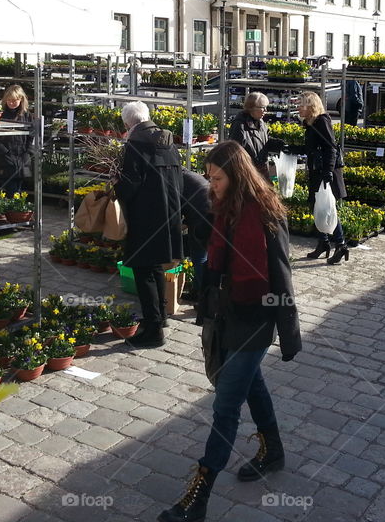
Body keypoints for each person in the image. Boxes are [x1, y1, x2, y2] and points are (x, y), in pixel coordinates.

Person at [159, 141, 300, 522]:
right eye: (209, 177)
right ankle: (273, 451)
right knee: (250, 384)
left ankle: (199, 498)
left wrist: (289, 331)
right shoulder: (224, 209)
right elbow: (213, 259)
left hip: (257, 318)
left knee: (225, 406)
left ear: (236, 176)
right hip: (229, 315)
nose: (211, 184)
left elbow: (282, 275)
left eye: (217, 177)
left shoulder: (266, 214)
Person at [116, 101, 183, 348]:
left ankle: (154, 331)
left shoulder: (136, 144)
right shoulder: (167, 140)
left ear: (129, 124)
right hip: (170, 213)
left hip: (146, 216)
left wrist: (116, 188)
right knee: (156, 266)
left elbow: (130, 184)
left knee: (143, 270)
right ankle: (160, 316)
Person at [293, 91, 349, 264]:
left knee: (327, 208)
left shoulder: (321, 121)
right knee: (317, 206)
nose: (298, 108)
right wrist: (290, 149)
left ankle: (340, 245)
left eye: (301, 104)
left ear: (310, 106)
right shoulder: (311, 123)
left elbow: (331, 148)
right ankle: (323, 243)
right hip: (318, 171)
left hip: (325, 172)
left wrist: (328, 172)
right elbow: (311, 149)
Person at [0, 84, 33, 195]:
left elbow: (32, 135)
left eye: (15, 100)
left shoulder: (27, 115)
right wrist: (4, 151)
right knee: (10, 190)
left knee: (18, 189)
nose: (11, 103)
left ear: (21, 100)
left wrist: (27, 151)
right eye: (9, 100)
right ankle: (9, 210)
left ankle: (13, 210)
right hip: (4, 158)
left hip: (22, 157)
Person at [228, 92, 284, 177]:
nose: (266, 110)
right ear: (251, 108)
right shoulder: (240, 125)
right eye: (263, 107)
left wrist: (283, 145)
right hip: (248, 172)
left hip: (261, 170)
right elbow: (235, 152)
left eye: (266, 107)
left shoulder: (260, 122)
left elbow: (265, 141)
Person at [181, 167, 213, 283]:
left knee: (199, 255)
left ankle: (204, 293)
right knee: (202, 253)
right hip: (209, 211)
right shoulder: (189, 175)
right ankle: (198, 290)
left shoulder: (177, 178)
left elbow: (176, 204)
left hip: (201, 215)